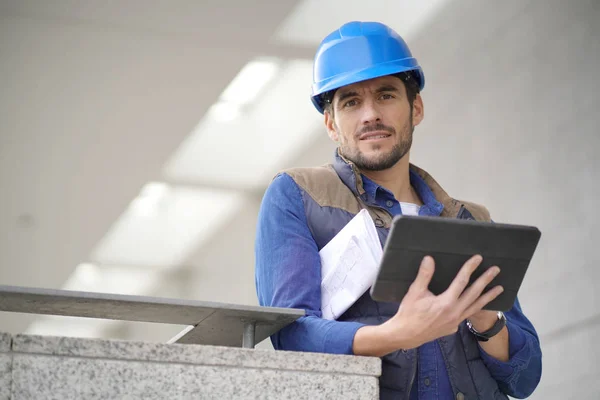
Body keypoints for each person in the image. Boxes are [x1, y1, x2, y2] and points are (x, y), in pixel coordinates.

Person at [255, 21, 542, 400]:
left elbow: (525, 379)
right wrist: (398, 334)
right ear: (331, 123)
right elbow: (290, 335)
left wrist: (485, 318)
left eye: (386, 95)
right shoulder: (298, 195)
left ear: (416, 107)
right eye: (351, 102)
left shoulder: (469, 220)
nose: (370, 114)